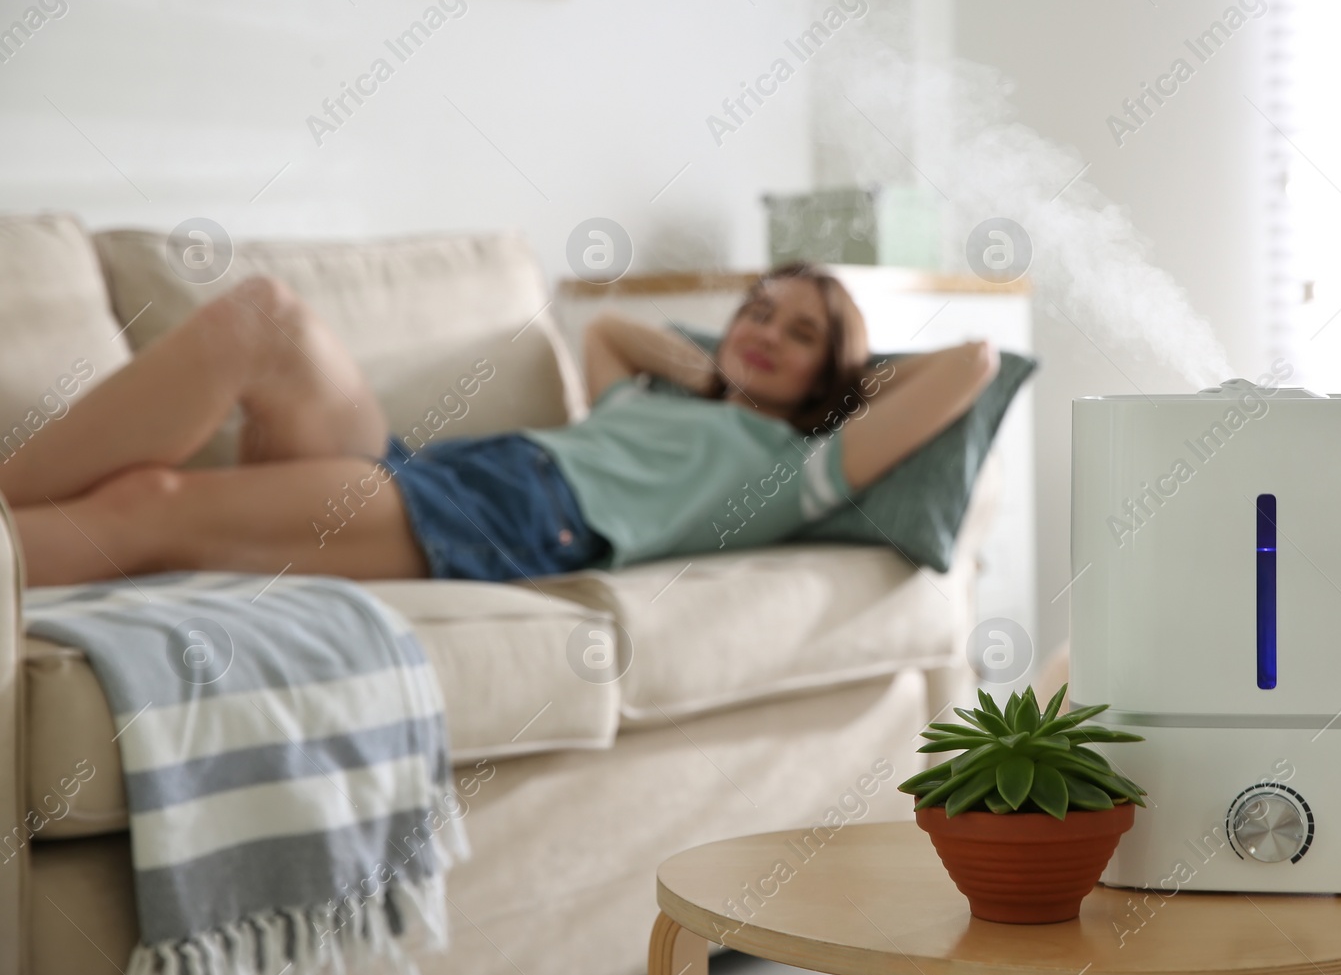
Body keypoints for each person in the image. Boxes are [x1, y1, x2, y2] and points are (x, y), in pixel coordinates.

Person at [1, 263, 998, 587]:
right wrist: (722, 367)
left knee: (149, 501)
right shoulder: (651, 404)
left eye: (801, 331)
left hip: (515, 517)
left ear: (837, 366)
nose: (767, 331)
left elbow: (973, 363)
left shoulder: (794, 466)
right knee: (264, 318)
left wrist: (833, 387)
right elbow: (606, 329)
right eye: (758, 311)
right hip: (449, 470)